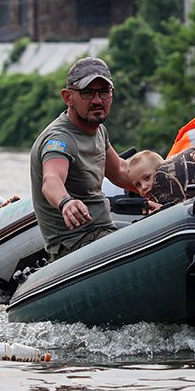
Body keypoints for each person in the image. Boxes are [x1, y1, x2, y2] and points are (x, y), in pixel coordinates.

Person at [29, 57, 134, 260]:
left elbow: (121, 172)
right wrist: (65, 202)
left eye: (104, 92)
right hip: (76, 245)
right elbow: (51, 179)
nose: (97, 100)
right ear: (68, 97)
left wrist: (164, 191)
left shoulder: (98, 130)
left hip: (102, 231)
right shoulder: (60, 139)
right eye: (87, 92)